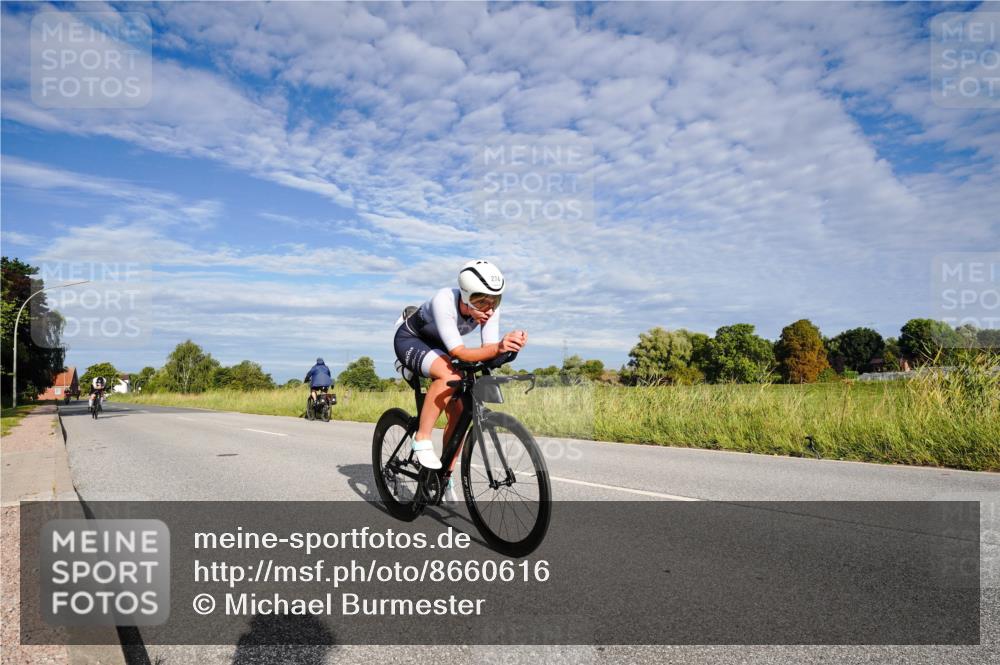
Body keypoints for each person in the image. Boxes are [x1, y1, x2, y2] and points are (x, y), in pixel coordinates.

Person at [393, 259, 526, 471]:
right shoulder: (444, 300)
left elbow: (488, 350)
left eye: (495, 301)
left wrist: (508, 350)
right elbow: (459, 352)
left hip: (441, 346)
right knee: (450, 376)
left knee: (461, 411)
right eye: (481, 302)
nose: (489, 310)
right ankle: (422, 437)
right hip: (412, 339)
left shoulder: (490, 310)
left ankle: (445, 475)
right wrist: (499, 347)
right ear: (465, 296)